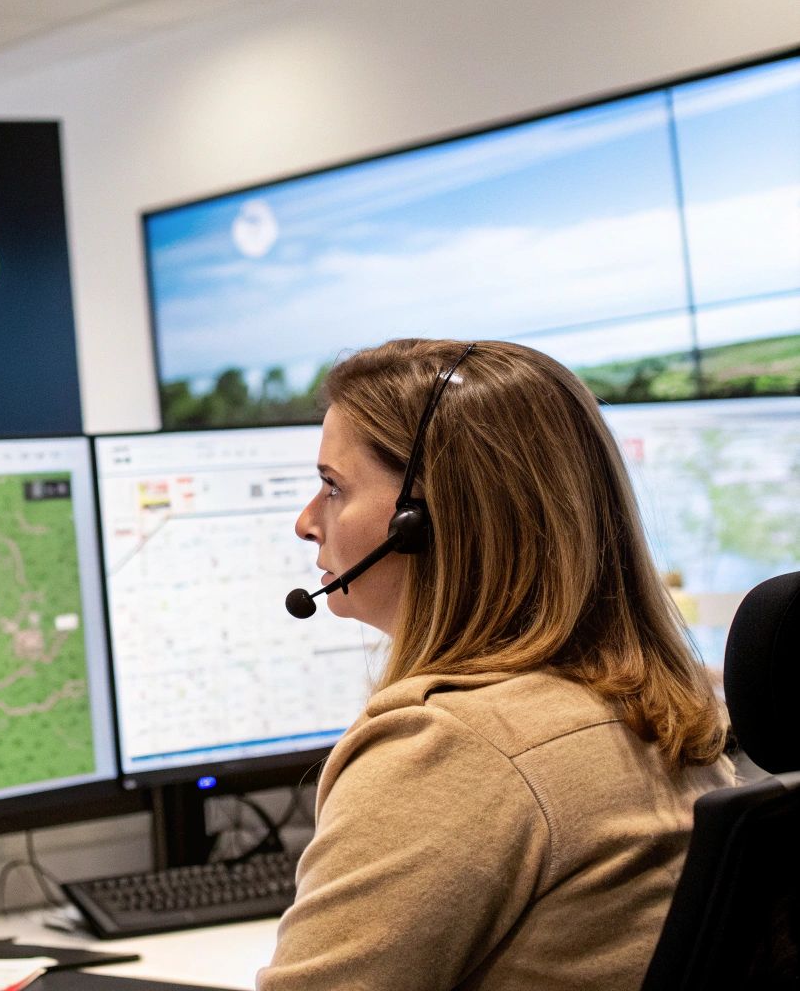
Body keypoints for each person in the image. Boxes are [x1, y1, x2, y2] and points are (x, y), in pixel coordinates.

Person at [257, 339, 735, 991]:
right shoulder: (657, 712)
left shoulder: (454, 749)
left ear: (421, 521)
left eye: (333, 486)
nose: (306, 522)